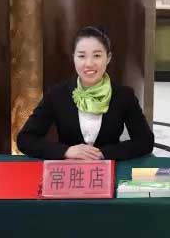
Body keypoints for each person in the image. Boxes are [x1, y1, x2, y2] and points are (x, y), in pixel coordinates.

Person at [17, 26, 154, 160]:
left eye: (97, 55)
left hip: (108, 170)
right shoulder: (57, 95)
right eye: (82, 56)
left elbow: (145, 141)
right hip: (69, 171)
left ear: (108, 58)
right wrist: (66, 151)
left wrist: (104, 153)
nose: (89, 63)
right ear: (74, 58)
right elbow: (25, 139)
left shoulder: (124, 96)